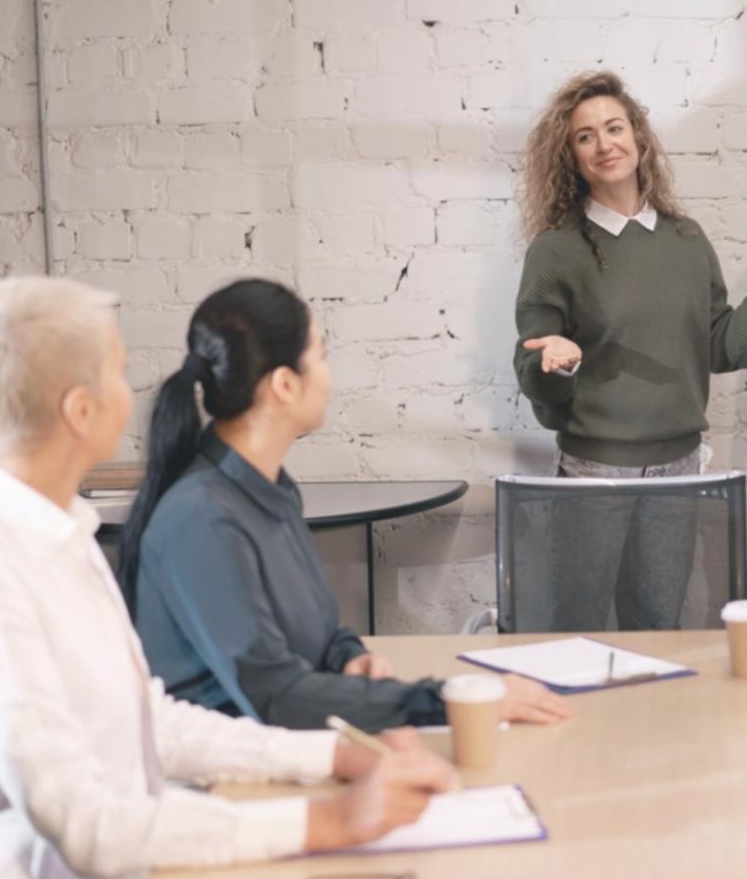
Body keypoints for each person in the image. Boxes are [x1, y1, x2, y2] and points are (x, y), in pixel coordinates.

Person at [0, 277, 457, 879]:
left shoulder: (59, 534)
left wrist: (336, 754)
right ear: (80, 409)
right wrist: (324, 820)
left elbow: (149, 722)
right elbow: (87, 826)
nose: (136, 391)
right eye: (120, 370)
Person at [118, 279, 573, 731]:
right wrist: (454, 702)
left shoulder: (270, 488)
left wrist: (349, 658)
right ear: (284, 385)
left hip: (286, 750)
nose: (330, 378)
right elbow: (277, 698)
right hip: (227, 778)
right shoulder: (201, 520)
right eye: (322, 356)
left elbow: (318, 631)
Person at [513, 70, 747, 630]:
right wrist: (555, 361)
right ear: (570, 155)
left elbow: (722, 347)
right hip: (594, 473)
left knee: (659, 626)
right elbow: (533, 368)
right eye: (584, 136)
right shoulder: (556, 251)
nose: (603, 144)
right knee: (577, 625)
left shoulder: (686, 240)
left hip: (678, 470)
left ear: (638, 137)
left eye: (614, 127)